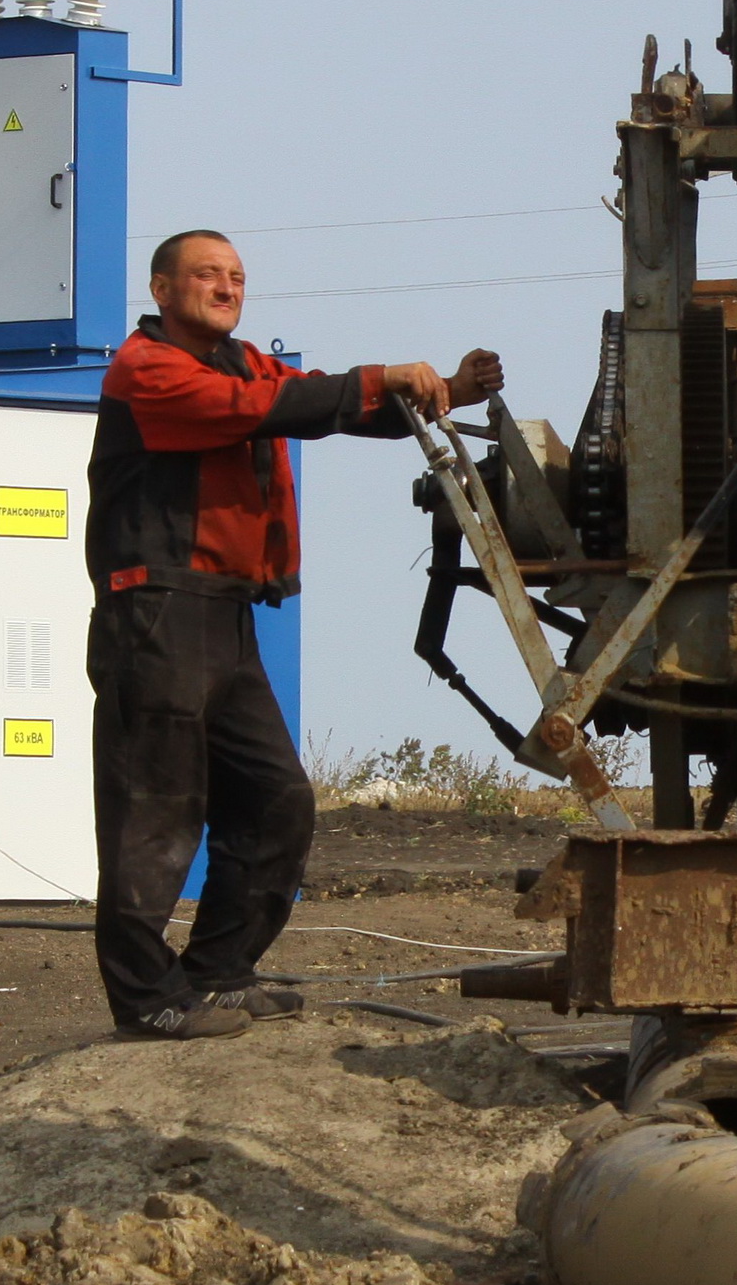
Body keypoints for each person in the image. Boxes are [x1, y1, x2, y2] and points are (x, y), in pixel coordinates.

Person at [88, 230, 500, 1040]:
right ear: (162, 288)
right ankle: (147, 999)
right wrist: (381, 376)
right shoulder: (149, 369)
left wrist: (441, 390)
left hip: (225, 612)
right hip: (158, 612)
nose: (226, 286)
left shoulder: (246, 362)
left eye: (236, 276)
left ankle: (218, 974)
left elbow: (317, 402)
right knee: (156, 812)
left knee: (277, 800)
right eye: (206, 275)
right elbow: (269, 411)